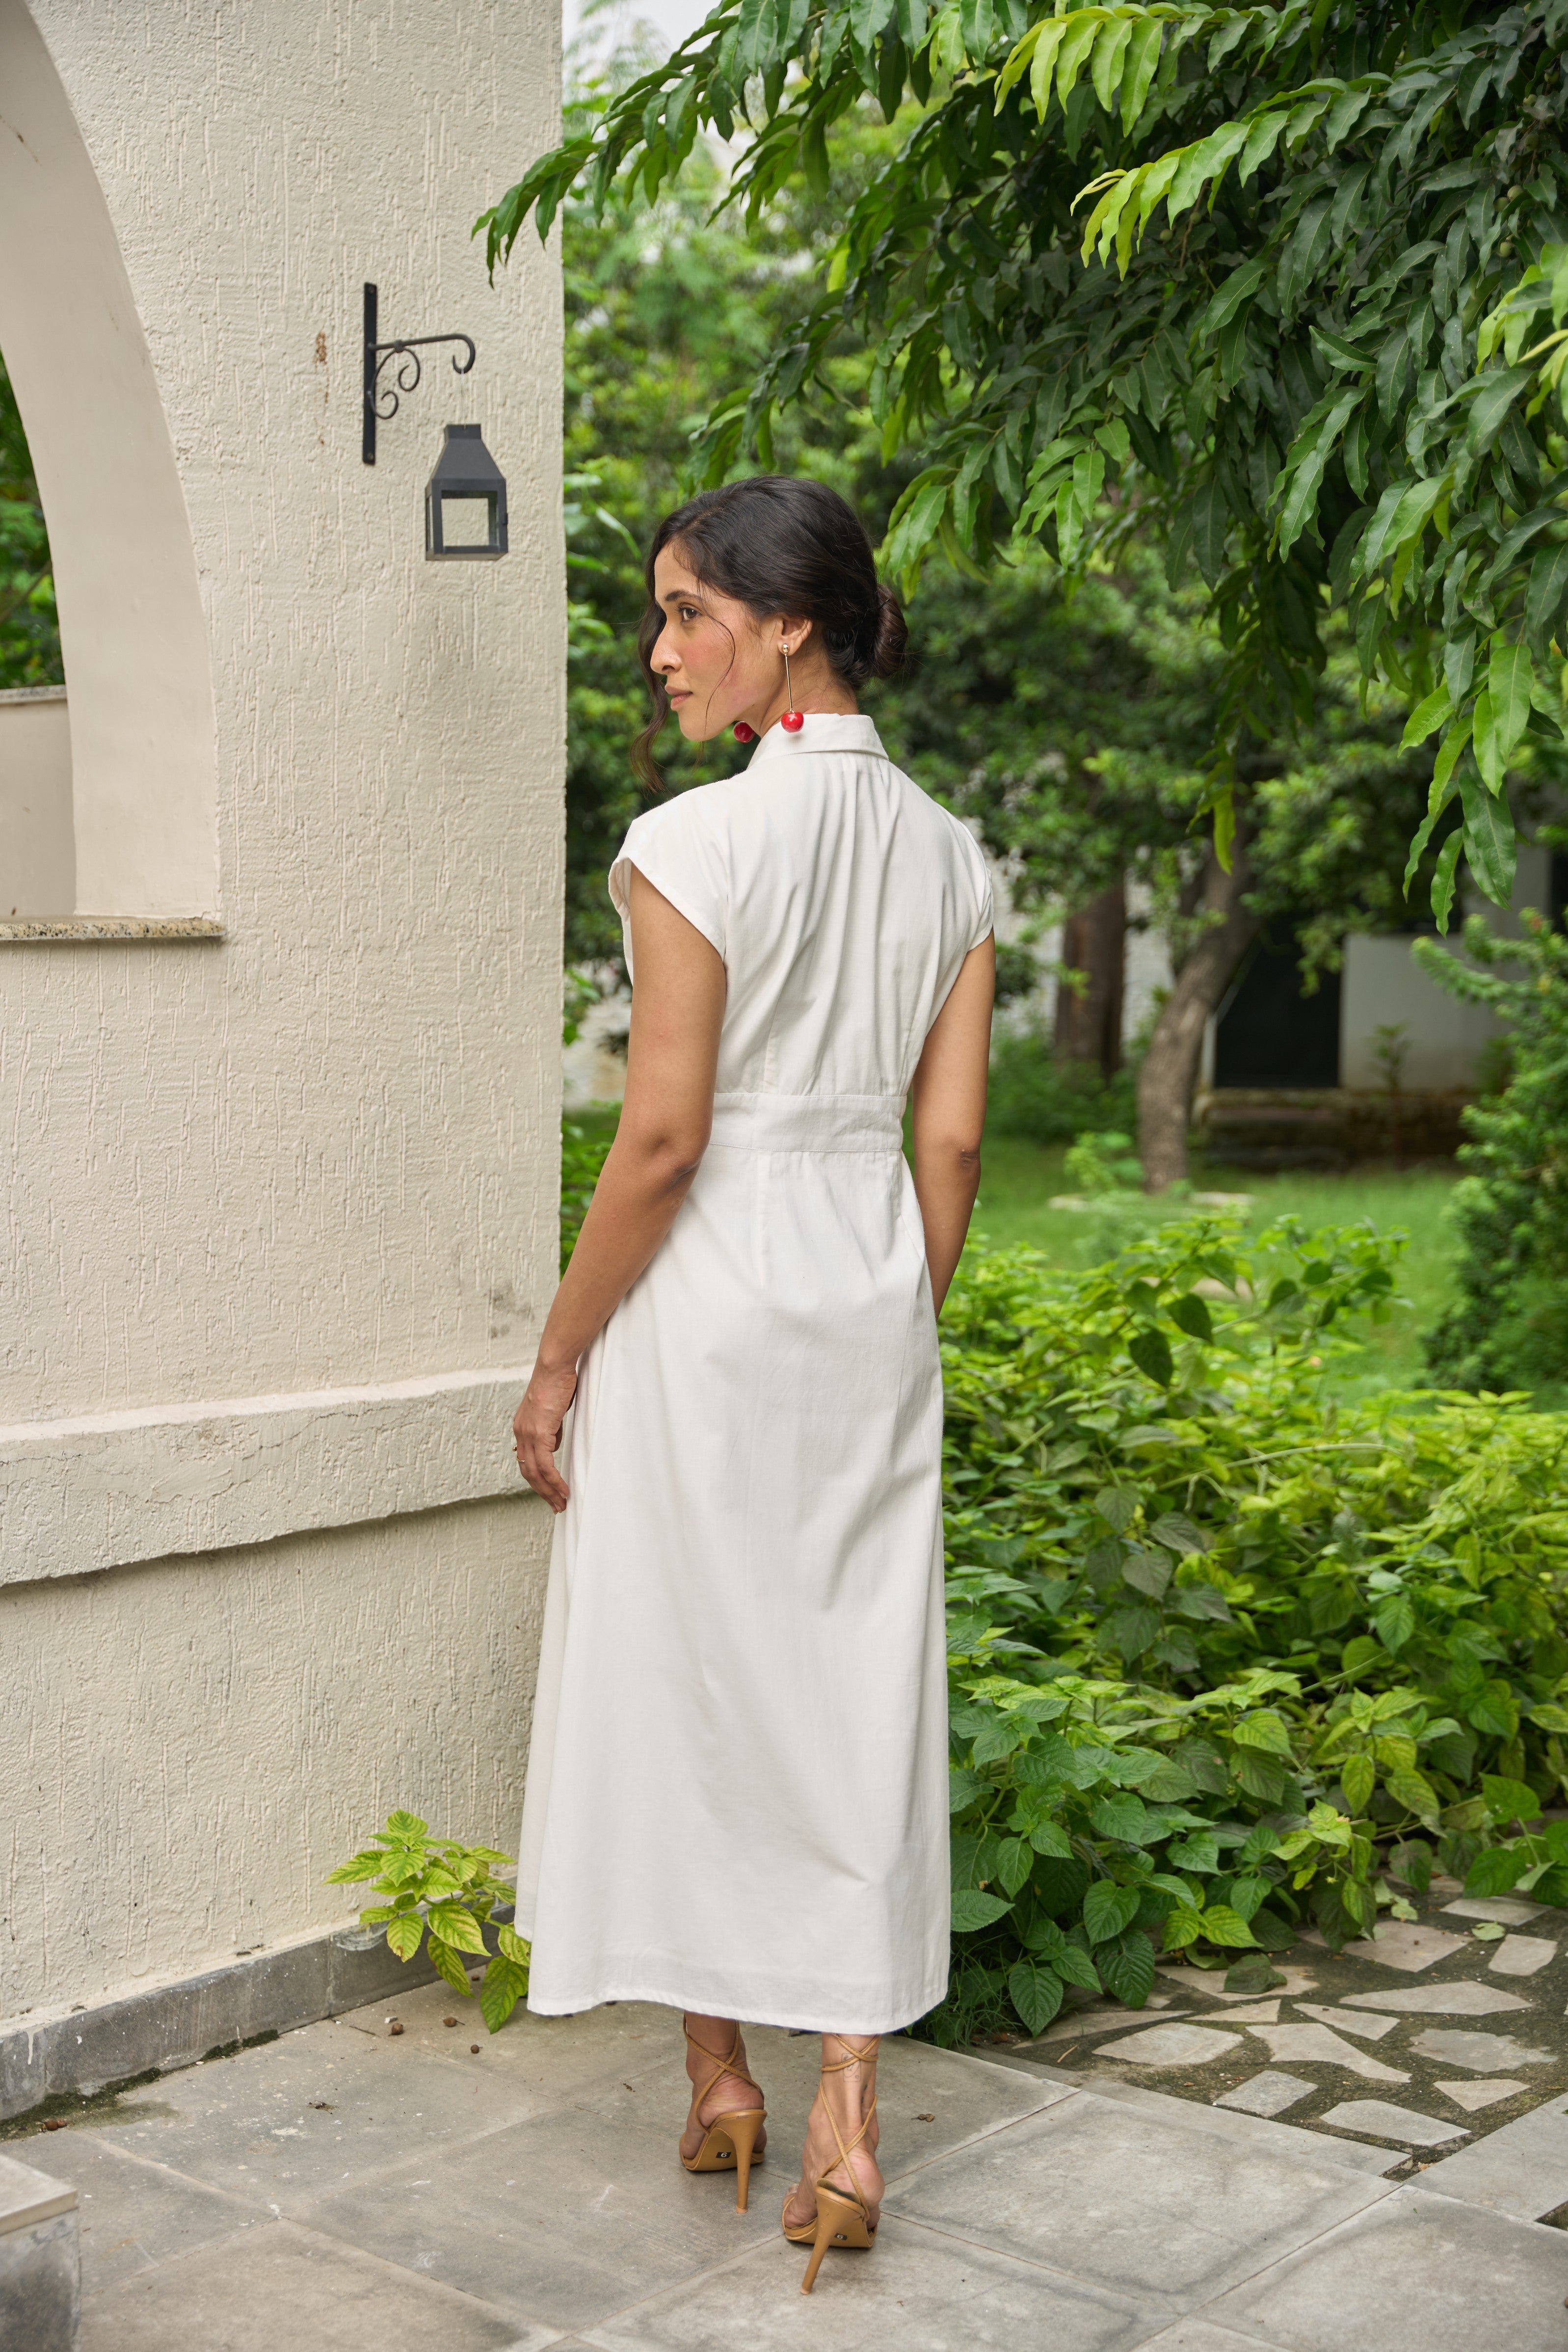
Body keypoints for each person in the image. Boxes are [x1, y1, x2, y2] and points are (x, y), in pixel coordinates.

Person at [512, 474, 994, 2294]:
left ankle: (719, 2078)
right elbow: (951, 1143)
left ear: (790, 624)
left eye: (686, 612)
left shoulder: (689, 844)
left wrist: (559, 1355)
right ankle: (847, 2112)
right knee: (853, 1685)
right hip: (867, 1296)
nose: (659, 652)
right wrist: (891, 1312)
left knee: (685, 1669)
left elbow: (661, 1140)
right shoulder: (952, 858)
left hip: (701, 1304)